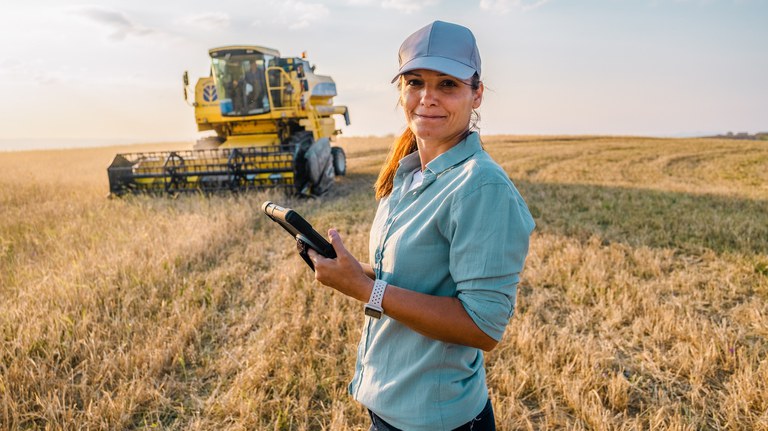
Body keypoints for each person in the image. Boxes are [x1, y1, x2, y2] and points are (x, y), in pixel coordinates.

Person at [308, 20, 535, 431]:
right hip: (389, 405)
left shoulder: (482, 186)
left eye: (447, 84)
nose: (427, 97)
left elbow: (483, 326)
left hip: (437, 420)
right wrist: (355, 272)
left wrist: (366, 290)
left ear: (477, 93)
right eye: (415, 82)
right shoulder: (408, 173)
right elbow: (417, 280)